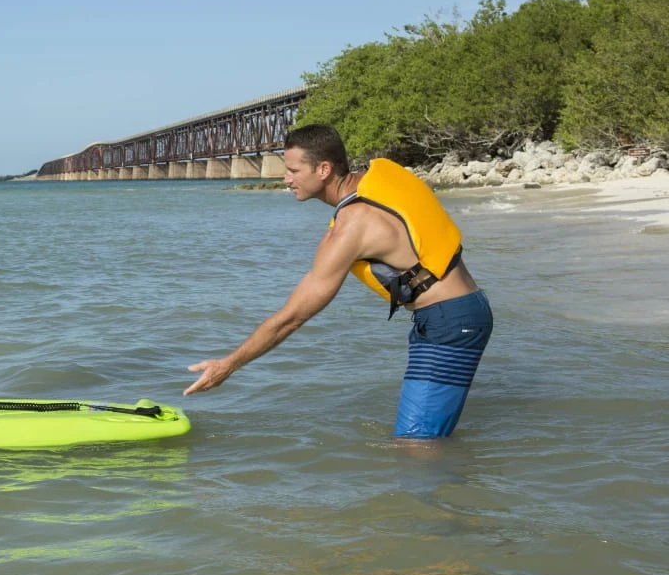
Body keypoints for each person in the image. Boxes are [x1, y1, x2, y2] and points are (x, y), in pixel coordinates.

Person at [184, 123, 494, 439]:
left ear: (323, 169)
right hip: (463, 310)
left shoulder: (351, 227)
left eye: (293, 170)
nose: (286, 178)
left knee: (416, 444)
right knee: (424, 439)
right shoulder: (383, 174)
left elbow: (292, 318)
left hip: (448, 323)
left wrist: (228, 365)